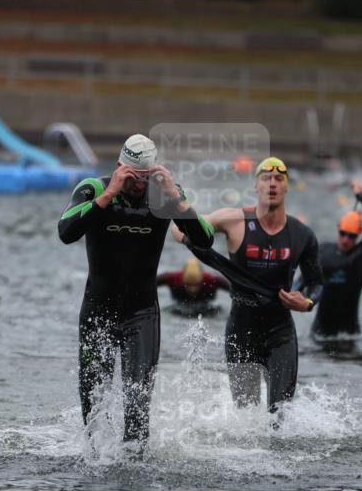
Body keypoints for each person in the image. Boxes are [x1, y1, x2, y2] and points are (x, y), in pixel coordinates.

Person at [58, 134, 214, 447]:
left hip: (141, 315)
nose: (139, 185)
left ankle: (133, 485)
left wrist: (176, 198)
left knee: (137, 405)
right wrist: (108, 196)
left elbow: (205, 238)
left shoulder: (163, 195)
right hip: (97, 313)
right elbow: (65, 231)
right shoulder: (94, 189)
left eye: (145, 177)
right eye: (132, 177)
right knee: (93, 408)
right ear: (119, 167)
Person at [171, 156, 323, 414]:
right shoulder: (233, 220)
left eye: (278, 179)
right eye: (266, 178)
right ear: (256, 187)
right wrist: (187, 232)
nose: (272, 184)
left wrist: (307, 303)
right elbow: (179, 231)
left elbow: (316, 283)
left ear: (286, 187)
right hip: (241, 331)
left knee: (281, 417)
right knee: (246, 420)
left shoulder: (302, 234)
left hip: (280, 332)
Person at [306, 181, 362, 337]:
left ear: (358, 235)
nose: (345, 239)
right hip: (320, 333)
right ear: (338, 229)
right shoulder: (324, 250)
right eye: (343, 233)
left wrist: (361, 197)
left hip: (349, 334)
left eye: (351, 236)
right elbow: (305, 279)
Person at [156, 258, 230, 317]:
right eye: (188, 285)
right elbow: (148, 285)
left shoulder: (212, 280)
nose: (192, 289)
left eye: (196, 284)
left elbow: (235, 290)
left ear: (202, 281)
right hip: (179, 309)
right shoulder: (173, 279)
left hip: (206, 310)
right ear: (183, 281)